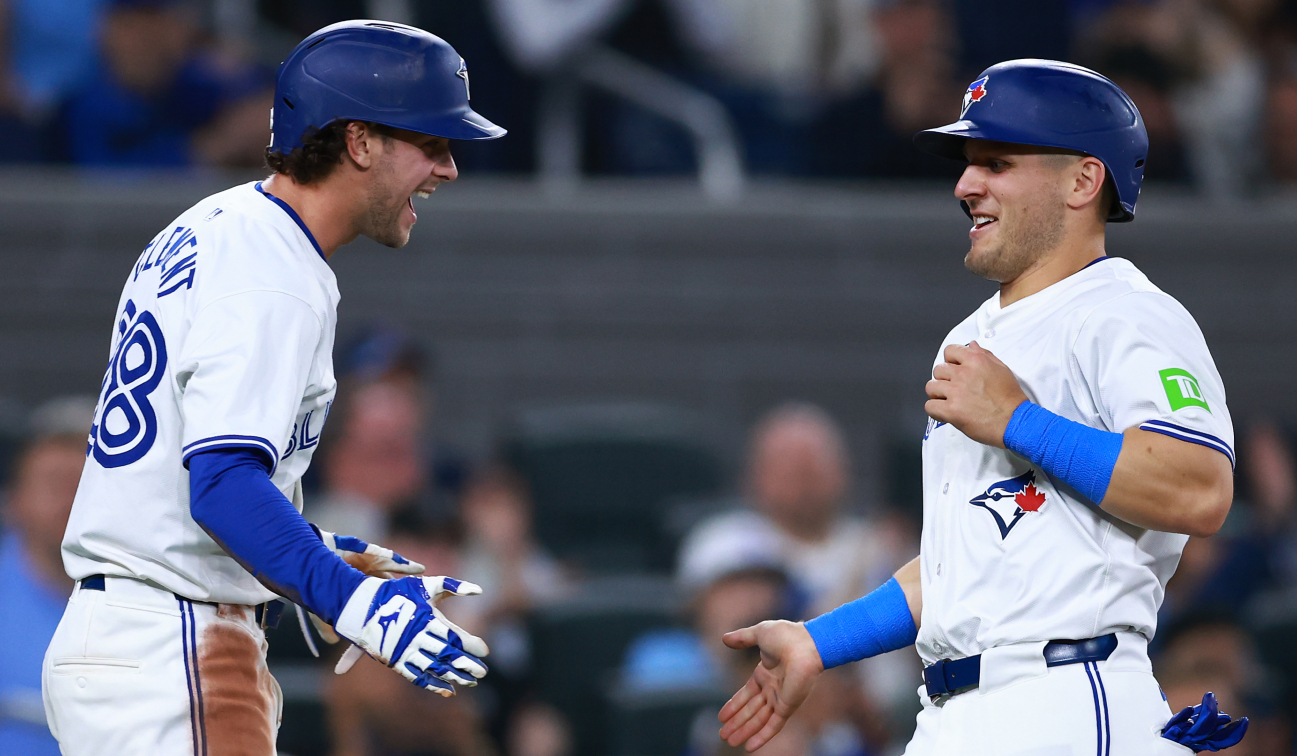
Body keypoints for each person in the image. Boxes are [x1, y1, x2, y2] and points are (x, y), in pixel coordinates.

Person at [716, 60, 1249, 755]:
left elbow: (1199, 487)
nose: (966, 186)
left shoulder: (1126, 313)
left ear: (1082, 181)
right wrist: (820, 640)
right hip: (950, 712)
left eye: (996, 163)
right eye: (969, 165)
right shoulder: (970, 337)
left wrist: (1017, 421)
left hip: (1064, 694)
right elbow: (959, 562)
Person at [42, 20, 506, 755]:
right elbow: (221, 484)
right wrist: (353, 603)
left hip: (135, 633)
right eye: (430, 142)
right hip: (177, 643)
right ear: (357, 140)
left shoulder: (216, 224)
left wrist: (308, 552)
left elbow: (179, 467)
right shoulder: (275, 271)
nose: (447, 168)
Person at [0, 397, 94, 755]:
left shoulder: (160, 606)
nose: (71, 501)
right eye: (55, 483)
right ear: (14, 501)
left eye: (82, 484)